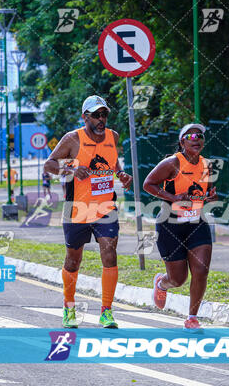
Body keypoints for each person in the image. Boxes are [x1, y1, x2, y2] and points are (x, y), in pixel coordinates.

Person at [44, 95, 132, 329]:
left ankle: (106, 311)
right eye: (96, 115)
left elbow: (112, 164)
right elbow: (49, 164)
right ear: (85, 117)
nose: (101, 119)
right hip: (77, 208)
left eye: (104, 114)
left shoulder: (113, 136)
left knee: (110, 252)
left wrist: (121, 175)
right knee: (73, 260)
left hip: (105, 207)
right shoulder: (72, 139)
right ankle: (69, 307)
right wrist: (72, 168)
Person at [143, 123, 217, 332]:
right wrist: (173, 197)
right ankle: (161, 283)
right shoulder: (172, 163)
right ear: (182, 141)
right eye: (192, 135)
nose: (197, 139)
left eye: (200, 136)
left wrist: (211, 196)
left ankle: (192, 318)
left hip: (197, 222)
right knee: (178, 279)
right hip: (170, 225)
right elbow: (148, 184)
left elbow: (207, 191)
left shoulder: (207, 165)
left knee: (201, 270)